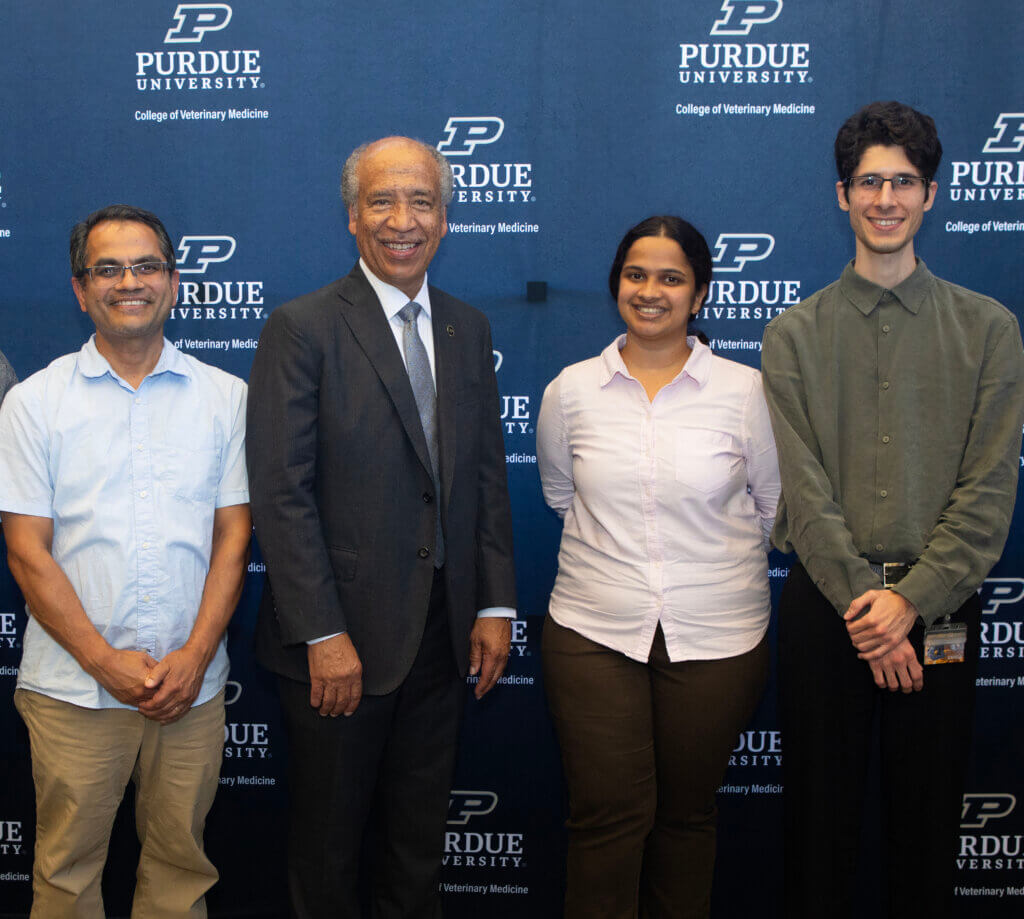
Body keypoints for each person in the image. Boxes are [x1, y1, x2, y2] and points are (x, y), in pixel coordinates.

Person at [761, 101, 1024, 918]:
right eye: (869, 182)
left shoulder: (989, 330)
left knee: (926, 832)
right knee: (816, 833)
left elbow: (987, 492)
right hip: (826, 610)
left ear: (932, 194)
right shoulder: (792, 334)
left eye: (902, 182)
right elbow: (804, 492)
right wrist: (868, 612)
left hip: (939, 612)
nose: (885, 199)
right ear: (842, 195)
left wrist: (910, 601)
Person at [246, 136, 517, 919]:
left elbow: (486, 478)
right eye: (382, 201)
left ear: (446, 219)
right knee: (328, 858)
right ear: (353, 217)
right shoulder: (302, 327)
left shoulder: (468, 327)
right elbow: (282, 493)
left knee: (416, 853)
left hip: (441, 638)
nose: (403, 220)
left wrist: (495, 603)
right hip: (341, 647)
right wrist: (323, 632)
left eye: (422, 202)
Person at [0, 204, 251, 918]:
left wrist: (196, 654)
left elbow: (234, 537)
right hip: (73, 690)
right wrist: (105, 661)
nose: (128, 281)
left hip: (191, 690)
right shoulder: (32, 404)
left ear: (173, 282)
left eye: (144, 266)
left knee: (179, 873)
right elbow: (26, 549)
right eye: (107, 269)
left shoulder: (224, 398)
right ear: (81, 290)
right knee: (66, 877)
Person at [537, 215, 780, 918]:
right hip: (593, 630)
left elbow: (773, 505)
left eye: (671, 277)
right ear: (617, 285)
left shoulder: (747, 391)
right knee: (605, 819)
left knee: (685, 817)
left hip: (718, 636)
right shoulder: (571, 390)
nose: (651, 291)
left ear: (699, 293)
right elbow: (562, 494)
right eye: (636, 274)